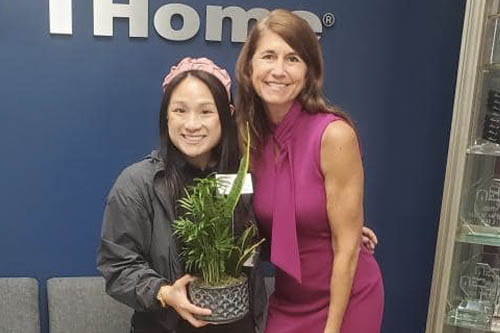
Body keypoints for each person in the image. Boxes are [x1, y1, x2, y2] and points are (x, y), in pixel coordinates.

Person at [235, 9, 384, 333]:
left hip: (346, 298)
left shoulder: (333, 135)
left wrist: (331, 329)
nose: (279, 70)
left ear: (308, 72)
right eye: (269, 56)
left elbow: (346, 249)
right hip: (289, 300)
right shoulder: (250, 139)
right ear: (249, 67)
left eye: (293, 59)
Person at [97, 57, 267, 333]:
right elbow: (117, 266)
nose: (191, 124)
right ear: (166, 116)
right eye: (180, 110)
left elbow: (270, 237)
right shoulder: (138, 183)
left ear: (227, 114)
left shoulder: (244, 178)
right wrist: (163, 292)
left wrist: (334, 231)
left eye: (205, 112)